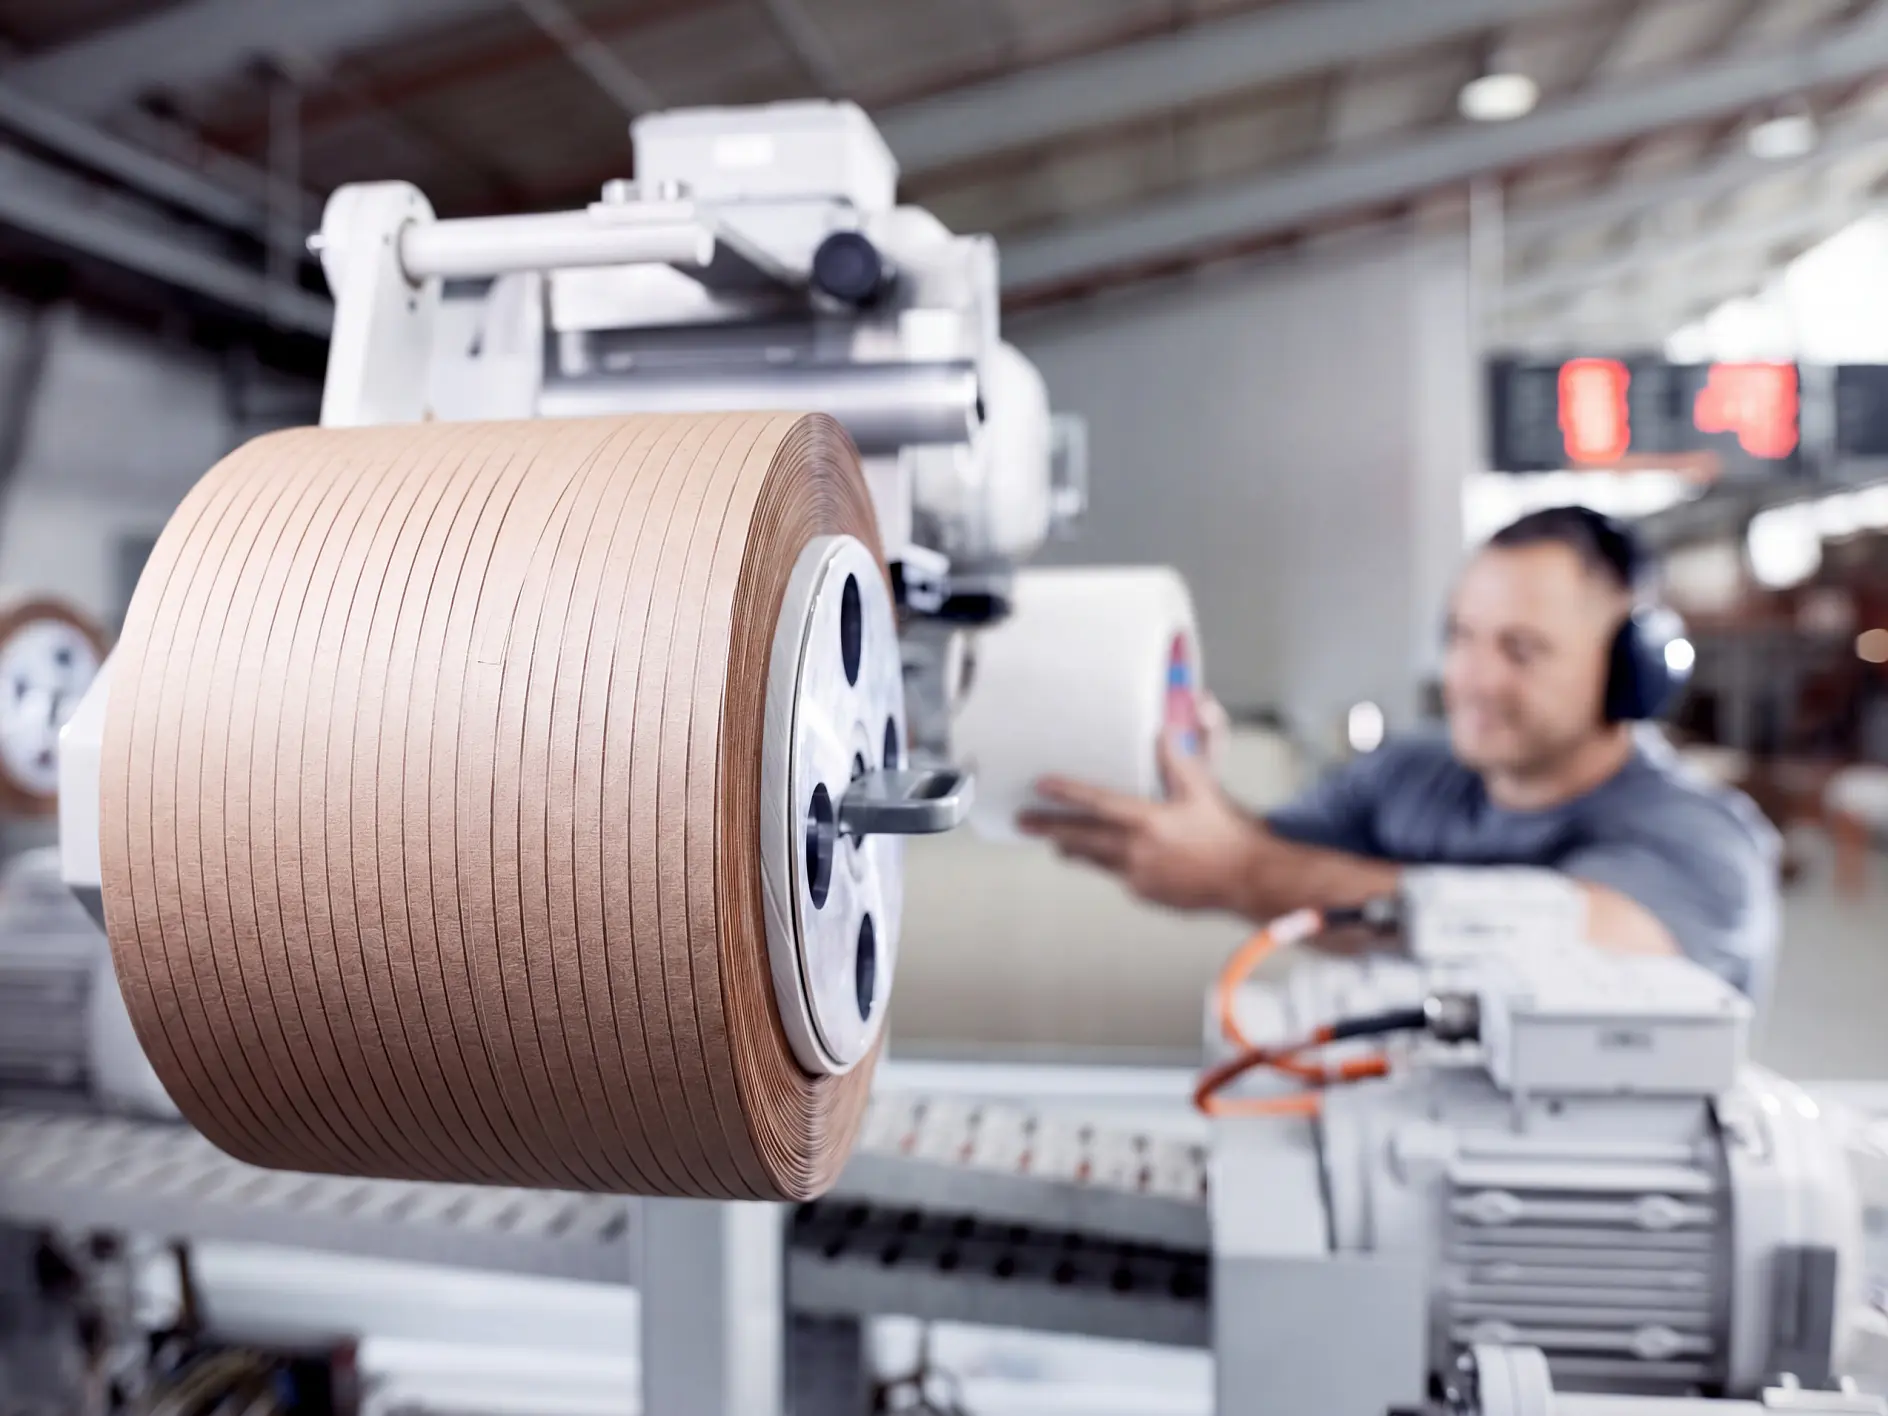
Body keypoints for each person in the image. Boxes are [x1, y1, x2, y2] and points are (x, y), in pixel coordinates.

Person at [1019, 507, 1780, 997]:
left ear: (1631, 673)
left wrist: (1237, 871)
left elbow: (1575, 957)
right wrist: (1195, 802)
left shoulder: (1702, 844)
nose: (1470, 680)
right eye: (1461, 638)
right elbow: (1265, 855)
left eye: (1521, 651)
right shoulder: (1411, 776)